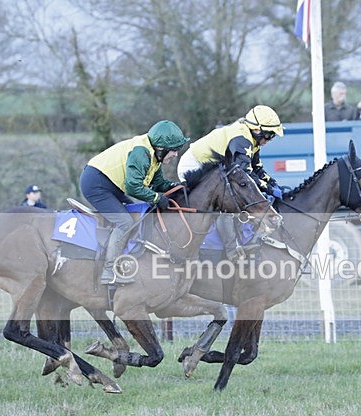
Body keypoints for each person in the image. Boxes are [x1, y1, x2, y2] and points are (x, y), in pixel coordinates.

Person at [80, 120, 190, 284]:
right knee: (125, 222)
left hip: (110, 183)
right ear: (161, 148)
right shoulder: (141, 154)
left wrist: (177, 187)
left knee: (136, 216)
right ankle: (109, 271)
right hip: (96, 184)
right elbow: (133, 187)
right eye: (174, 150)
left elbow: (158, 183)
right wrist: (156, 198)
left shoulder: (154, 156)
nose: (176, 154)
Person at [176, 105, 284, 261]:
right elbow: (245, 176)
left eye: (272, 136)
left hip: (210, 165)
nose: (269, 140)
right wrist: (268, 188)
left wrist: (274, 184)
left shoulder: (252, 139)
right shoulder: (241, 140)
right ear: (257, 129)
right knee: (226, 204)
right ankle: (233, 252)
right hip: (194, 165)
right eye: (269, 135)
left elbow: (257, 169)